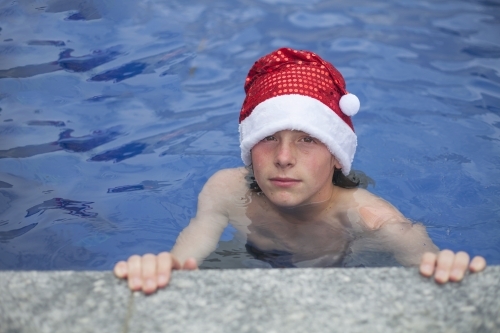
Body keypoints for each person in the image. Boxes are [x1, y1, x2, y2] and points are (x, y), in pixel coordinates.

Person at [114, 48, 487, 294]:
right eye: (268, 138)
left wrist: (443, 267)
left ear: (337, 156)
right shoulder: (226, 189)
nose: (284, 157)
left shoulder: (371, 219)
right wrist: (164, 269)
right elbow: (187, 258)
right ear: (249, 150)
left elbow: (426, 260)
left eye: (307, 140)